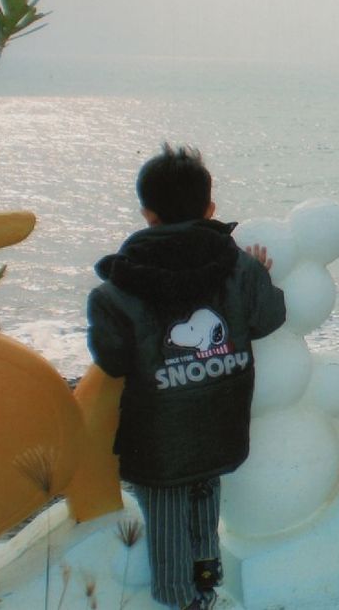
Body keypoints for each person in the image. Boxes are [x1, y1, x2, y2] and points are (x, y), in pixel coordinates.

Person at [86, 144, 286, 610]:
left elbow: (112, 359)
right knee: (205, 490)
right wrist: (259, 275)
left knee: (166, 510)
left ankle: (179, 598)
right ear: (210, 209)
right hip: (221, 422)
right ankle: (206, 581)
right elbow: (268, 318)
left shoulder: (116, 290)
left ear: (148, 214)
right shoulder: (239, 267)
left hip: (158, 438)